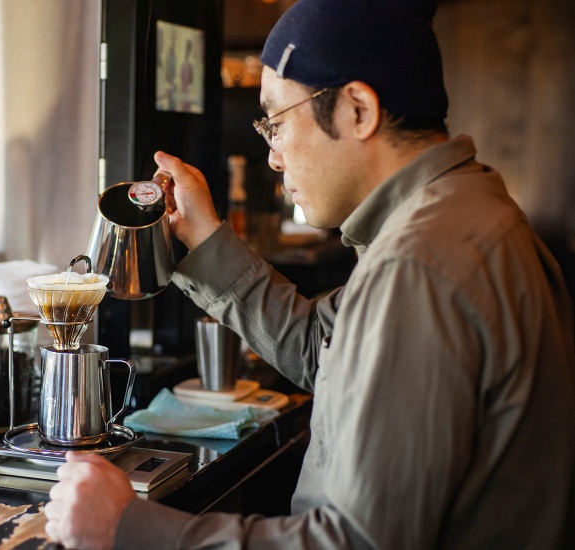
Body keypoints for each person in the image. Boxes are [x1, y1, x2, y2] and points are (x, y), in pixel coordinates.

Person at [44, 0, 575, 548]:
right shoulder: (463, 209)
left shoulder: (419, 265)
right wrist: (203, 242)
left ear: (358, 110)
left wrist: (129, 527)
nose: (273, 158)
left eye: (275, 123)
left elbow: (356, 542)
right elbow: (325, 349)